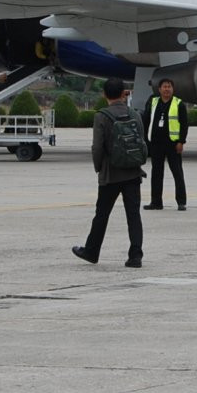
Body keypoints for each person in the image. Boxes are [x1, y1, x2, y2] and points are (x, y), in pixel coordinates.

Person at [73, 77, 145, 268]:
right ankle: (135, 255)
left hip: (110, 174)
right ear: (124, 94)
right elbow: (142, 142)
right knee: (133, 215)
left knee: (102, 214)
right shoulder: (135, 114)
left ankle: (91, 251)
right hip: (132, 173)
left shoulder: (101, 116)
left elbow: (97, 147)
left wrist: (98, 167)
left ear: (104, 94)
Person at [142, 77, 191, 211]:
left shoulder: (178, 104)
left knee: (177, 172)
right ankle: (156, 202)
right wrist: (145, 140)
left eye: (169, 86)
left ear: (173, 89)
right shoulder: (153, 102)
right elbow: (146, 120)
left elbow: (184, 125)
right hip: (156, 143)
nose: (167, 89)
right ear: (159, 89)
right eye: (164, 86)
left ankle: (181, 202)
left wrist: (181, 141)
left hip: (173, 144)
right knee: (156, 173)